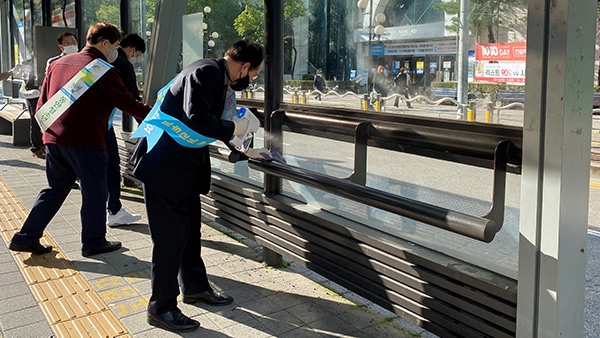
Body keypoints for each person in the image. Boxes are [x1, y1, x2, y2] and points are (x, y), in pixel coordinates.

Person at [131, 40, 265, 333]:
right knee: (169, 239)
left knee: (190, 231)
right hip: (165, 169)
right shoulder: (205, 72)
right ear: (244, 66)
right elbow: (199, 119)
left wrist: (244, 148)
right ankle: (161, 307)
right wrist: (234, 129)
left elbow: (209, 122)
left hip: (184, 170)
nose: (252, 79)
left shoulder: (217, 77)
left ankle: (194, 287)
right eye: (254, 74)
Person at [8, 22, 151, 258]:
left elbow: (42, 104)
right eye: (114, 45)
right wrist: (158, 117)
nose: (115, 50)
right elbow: (128, 103)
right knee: (95, 191)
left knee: (55, 189)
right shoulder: (102, 69)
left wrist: (45, 137)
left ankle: (26, 237)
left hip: (55, 139)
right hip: (86, 142)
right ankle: (93, 242)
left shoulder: (57, 64)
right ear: (105, 43)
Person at [105, 33, 146, 227]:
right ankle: (113, 211)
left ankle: (109, 209)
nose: (135, 58)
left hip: (94, 124)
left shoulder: (99, 61)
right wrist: (146, 126)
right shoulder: (123, 65)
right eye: (137, 54)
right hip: (102, 126)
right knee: (112, 166)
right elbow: (133, 100)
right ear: (132, 49)